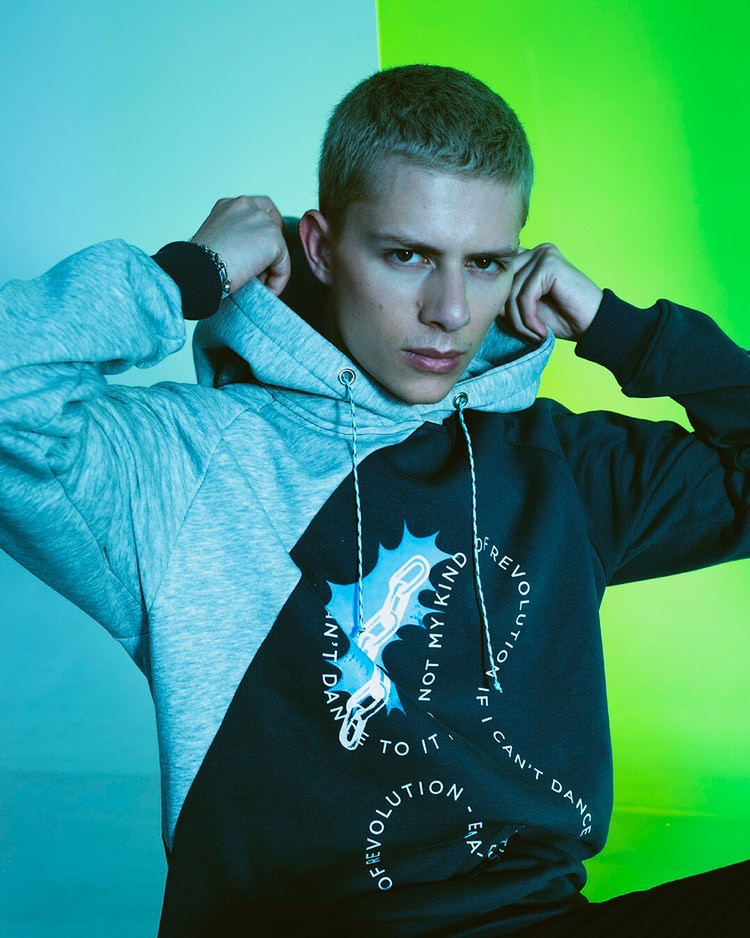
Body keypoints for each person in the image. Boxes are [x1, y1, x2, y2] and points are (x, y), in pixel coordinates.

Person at [0, 63, 747, 937]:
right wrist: (188, 275)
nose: (450, 311)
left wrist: (621, 327)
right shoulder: (192, 464)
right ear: (320, 248)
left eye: (485, 264)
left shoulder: (562, 466)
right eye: (407, 256)